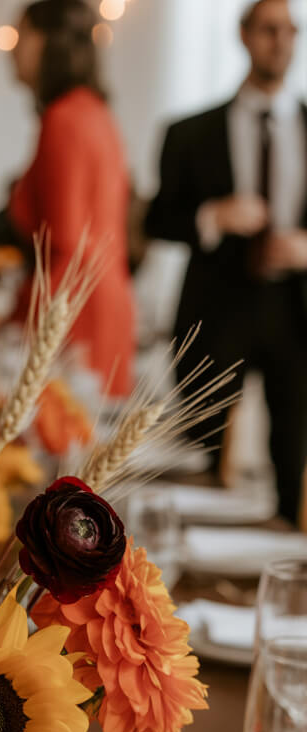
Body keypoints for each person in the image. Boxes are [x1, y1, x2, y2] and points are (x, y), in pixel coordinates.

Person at [146, 0, 307, 524]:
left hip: (295, 312)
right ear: (243, 35)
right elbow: (157, 218)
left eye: (289, 30)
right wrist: (212, 216)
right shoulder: (190, 131)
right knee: (202, 456)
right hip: (217, 310)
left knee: (294, 453)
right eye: (268, 29)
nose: (280, 41)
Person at [8, 0, 135, 397]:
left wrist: (18, 330)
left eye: (20, 36)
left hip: (76, 317)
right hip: (104, 302)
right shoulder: (95, 113)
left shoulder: (64, 119)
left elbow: (65, 245)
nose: (10, 49)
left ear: (49, 43)